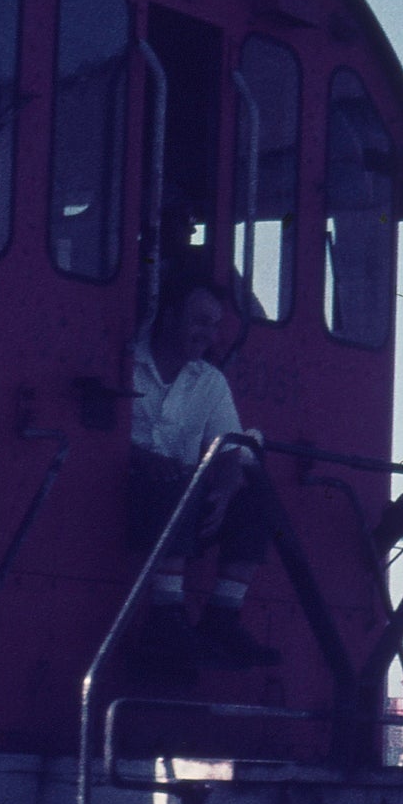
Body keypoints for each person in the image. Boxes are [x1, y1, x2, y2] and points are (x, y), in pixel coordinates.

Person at [129, 276, 270, 676]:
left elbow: (230, 449)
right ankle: (165, 613)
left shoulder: (209, 381)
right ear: (169, 316)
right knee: (172, 476)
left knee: (256, 493)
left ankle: (223, 614)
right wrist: (144, 460)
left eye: (212, 325)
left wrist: (225, 494)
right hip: (127, 493)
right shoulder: (125, 362)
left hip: (183, 501)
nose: (207, 334)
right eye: (199, 321)